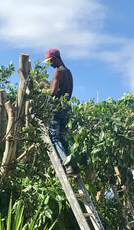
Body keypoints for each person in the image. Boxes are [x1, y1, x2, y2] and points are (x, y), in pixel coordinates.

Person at [44, 48, 78, 176]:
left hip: (57, 109)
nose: (49, 64)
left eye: (50, 61)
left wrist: (44, 94)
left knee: (54, 137)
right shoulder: (69, 73)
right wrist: (48, 85)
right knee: (62, 137)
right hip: (66, 108)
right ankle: (73, 164)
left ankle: (67, 164)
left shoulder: (58, 72)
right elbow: (61, 89)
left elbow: (53, 92)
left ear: (54, 58)